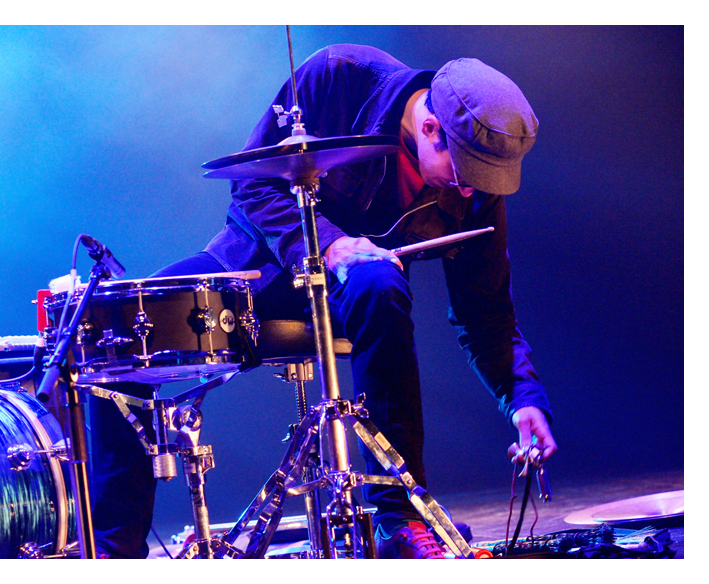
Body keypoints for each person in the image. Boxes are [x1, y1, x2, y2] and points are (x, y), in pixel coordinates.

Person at [90, 43, 557, 559]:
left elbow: (485, 307)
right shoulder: (339, 76)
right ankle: (116, 553)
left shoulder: (475, 177)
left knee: (376, 281)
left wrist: (523, 399)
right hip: (255, 268)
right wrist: (332, 245)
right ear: (431, 130)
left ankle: (400, 521)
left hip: (364, 295)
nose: (470, 194)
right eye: (465, 177)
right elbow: (252, 187)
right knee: (120, 332)